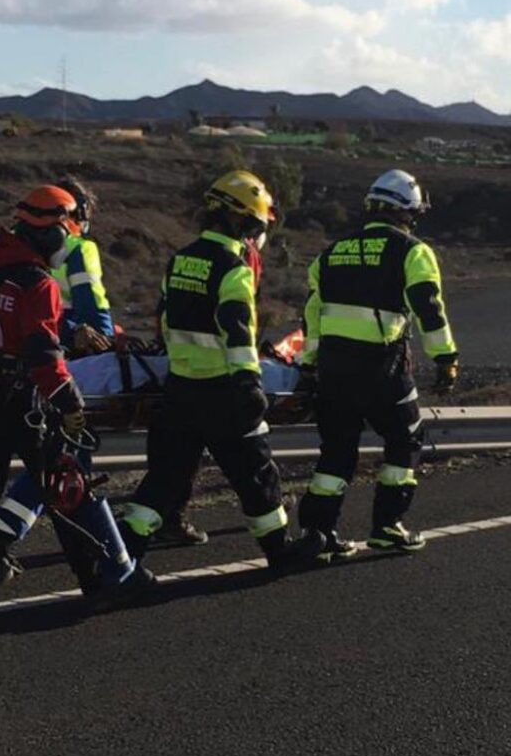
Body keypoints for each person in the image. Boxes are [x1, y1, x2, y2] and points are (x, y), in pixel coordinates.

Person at [0, 185, 151, 624]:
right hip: (32, 404)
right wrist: (69, 404)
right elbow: (44, 356)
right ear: (50, 233)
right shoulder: (37, 285)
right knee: (69, 488)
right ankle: (106, 580)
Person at [120, 170, 323, 573]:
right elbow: (237, 334)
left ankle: (120, 562)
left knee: (165, 480)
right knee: (256, 474)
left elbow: (164, 320)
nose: (258, 232)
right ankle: (279, 552)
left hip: (179, 388)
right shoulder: (234, 267)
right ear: (244, 220)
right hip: (224, 392)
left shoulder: (180, 260)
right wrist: (249, 384)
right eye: (257, 223)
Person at [296, 168, 459, 556]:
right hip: (382, 370)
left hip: (333, 371)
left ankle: (319, 534)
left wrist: (307, 364)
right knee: (406, 440)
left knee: (336, 450)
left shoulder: (330, 254)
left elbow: (313, 316)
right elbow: (429, 312)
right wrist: (446, 359)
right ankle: (387, 525)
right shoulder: (413, 252)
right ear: (408, 211)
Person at [52, 175, 114, 354]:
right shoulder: (79, 249)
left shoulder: (10, 242)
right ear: (81, 213)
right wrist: (108, 342)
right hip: (58, 347)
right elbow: (93, 310)